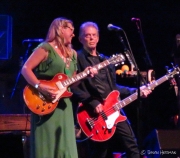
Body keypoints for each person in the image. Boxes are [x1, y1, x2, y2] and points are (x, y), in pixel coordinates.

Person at [71, 21, 151, 158]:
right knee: (99, 152)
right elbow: (73, 87)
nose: (91, 38)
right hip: (93, 114)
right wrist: (92, 102)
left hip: (113, 109)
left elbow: (114, 88)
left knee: (132, 146)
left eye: (94, 35)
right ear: (80, 39)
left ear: (98, 38)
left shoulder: (106, 60)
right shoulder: (77, 58)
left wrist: (136, 91)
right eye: (87, 35)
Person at [21, 17, 97, 158]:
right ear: (60, 29)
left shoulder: (73, 54)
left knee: (65, 147)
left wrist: (84, 75)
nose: (73, 34)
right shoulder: (45, 48)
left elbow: (71, 84)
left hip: (64, 105)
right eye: (71, 30)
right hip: (44, 101)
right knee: (47, 146)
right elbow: (25, 69)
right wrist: (40, 86)